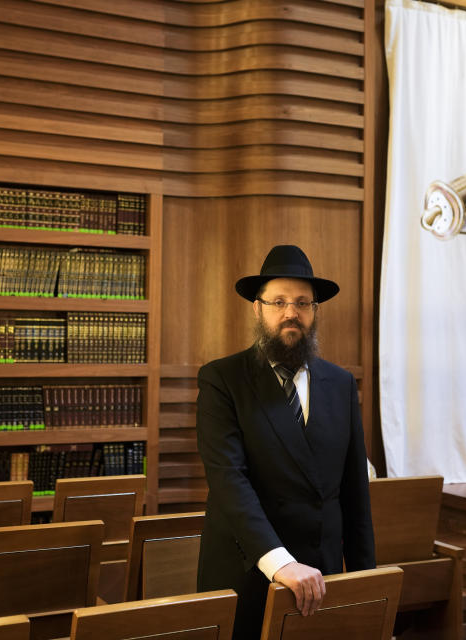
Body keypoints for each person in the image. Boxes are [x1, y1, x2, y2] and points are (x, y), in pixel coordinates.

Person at [195, 244, 376, 639]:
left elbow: (354, 491)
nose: (291, 312)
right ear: (257, 308)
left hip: (321, 575)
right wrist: (281, 564)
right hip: (250, 571)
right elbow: (229, 482)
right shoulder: (222, 379)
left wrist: (365, 583)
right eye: (278, 301)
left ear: (314, 312)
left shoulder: (341, 383)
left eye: (302, 303)